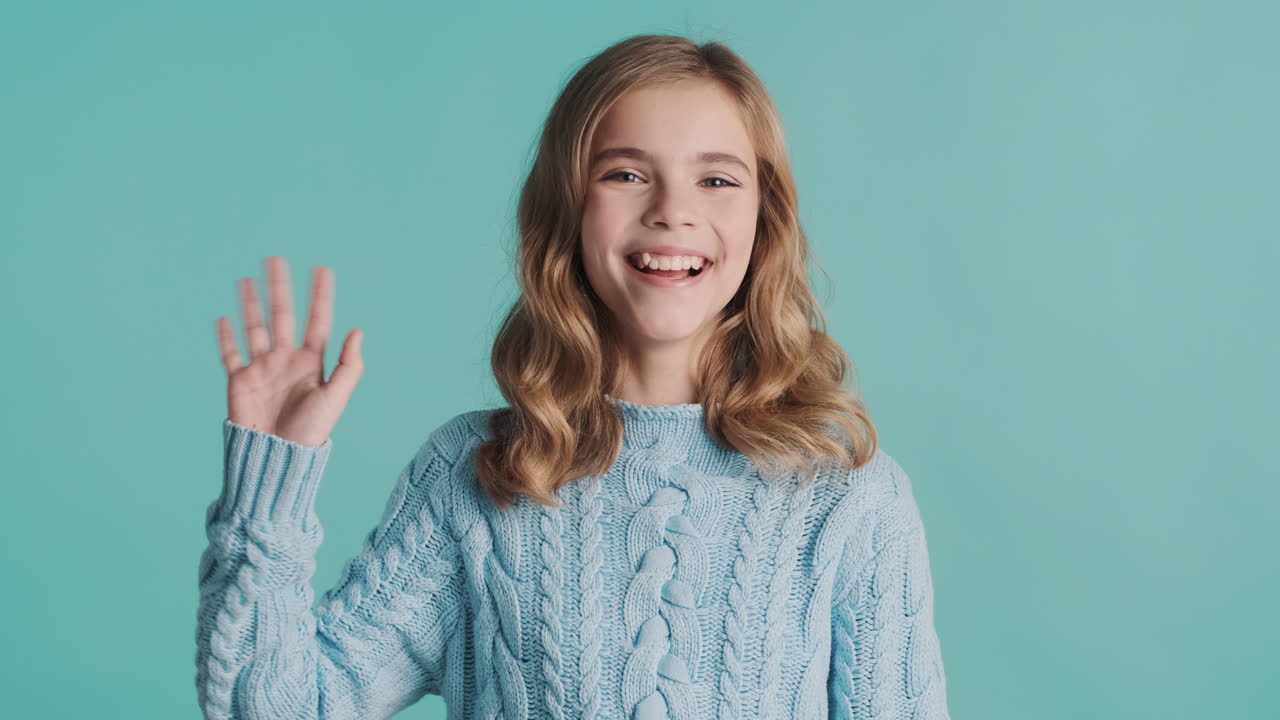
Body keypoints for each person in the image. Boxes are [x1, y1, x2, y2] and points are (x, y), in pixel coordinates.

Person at [196, 33, 950, 720]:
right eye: (626, 173)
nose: (672, 212)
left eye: (717, 180)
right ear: (569, 206)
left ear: (764, 219)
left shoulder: (850, 499)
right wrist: (271, 486)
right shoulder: (475, 477)